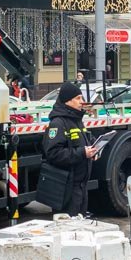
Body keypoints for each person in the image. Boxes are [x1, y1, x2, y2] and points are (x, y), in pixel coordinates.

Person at [43, 82, 99, 216]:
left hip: (80, 187)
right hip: (66, 189)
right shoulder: (58, 123)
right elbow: (53, 154)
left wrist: (93, 151)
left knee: (80, 228)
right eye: (78, 98)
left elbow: (84, 141)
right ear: (68, 100)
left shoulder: (77, 120)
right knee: (68, 230)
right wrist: (82, 153)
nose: (82, 102)